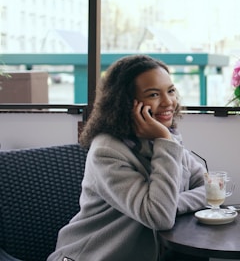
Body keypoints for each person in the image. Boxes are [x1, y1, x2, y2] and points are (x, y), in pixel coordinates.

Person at [48, 55, 209, 261]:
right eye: (153, 94)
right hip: (93, 256)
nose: (168, 102)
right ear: (126, 102)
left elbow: (212, 189)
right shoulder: (107, 151)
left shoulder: (162, 140)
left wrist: (172, 203)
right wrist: (164, 140)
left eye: (170, 91)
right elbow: (159, 217)